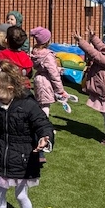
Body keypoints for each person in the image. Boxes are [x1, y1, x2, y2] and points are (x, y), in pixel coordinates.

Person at [0, 60, 54, 208]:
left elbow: (42, 123)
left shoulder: (28, 104)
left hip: (23, 157)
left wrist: (45, 138)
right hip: (2, 154)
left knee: (21, 195)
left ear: (10, 88)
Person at [30, 26, 68, 163]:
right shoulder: (48, 55)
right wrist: (60, 90)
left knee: (40, 104)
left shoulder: (36, 52)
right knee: (45, 108)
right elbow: (53, 74)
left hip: (39, 80)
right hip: (46, 82)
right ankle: (43, 132)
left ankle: (42, 128)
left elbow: (47, 68)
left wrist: (57, 69)